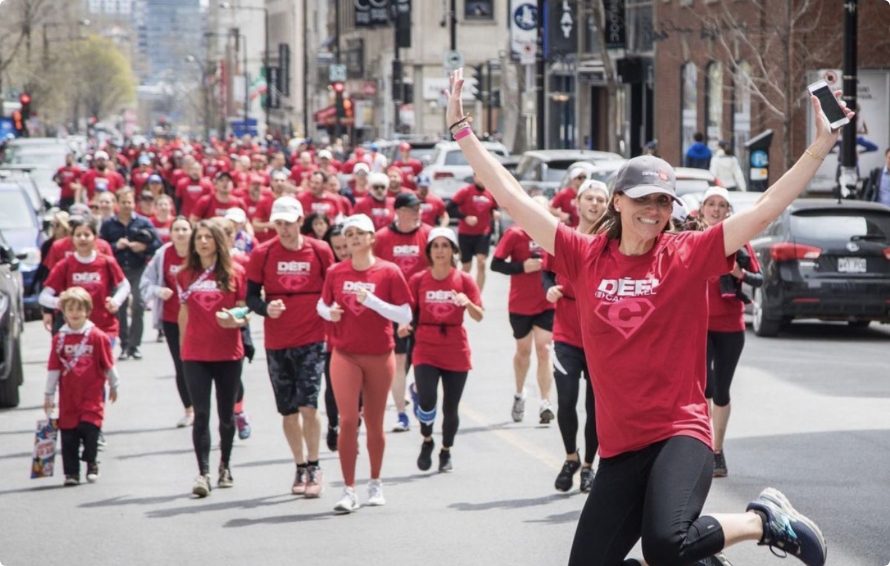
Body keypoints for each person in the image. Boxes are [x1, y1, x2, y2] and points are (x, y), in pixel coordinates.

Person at [445, 67, 840, 566]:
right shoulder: (583, 254)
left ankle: (763, 519)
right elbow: (511, 196)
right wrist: (462, 131)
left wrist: (819, 146)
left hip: (680, 432)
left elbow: (762, 209)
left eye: (662, 202)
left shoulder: (684, 253)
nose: (653, 211)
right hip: (620, 447)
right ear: (617, 200)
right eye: (643, 200)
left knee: (664, 543)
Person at [316, 214, 413, 514]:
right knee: (347, 420)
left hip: (380, 354)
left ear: (372, 238)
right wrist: (328, 312)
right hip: (344, 353)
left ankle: (375, 481)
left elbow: (405, 316)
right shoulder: (335, 271)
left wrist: (372, 302)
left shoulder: (389, 271)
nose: (355, 238)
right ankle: (349, 489)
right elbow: (322, 304)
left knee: (373, 421)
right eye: (351, 233)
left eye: (361, 233)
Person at [246, 197, 335, 497]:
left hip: (312, 338)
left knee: (309, 405)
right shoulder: (263, 253)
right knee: (288, 411)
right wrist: (265, 308)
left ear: (300, 220)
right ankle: (299, 466)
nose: (283, 230)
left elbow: (332, 288)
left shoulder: (320, 250)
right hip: (278, 341)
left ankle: (315, 464)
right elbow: (250, 297)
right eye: (278, 224)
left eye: (288, 223)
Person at [543, 179, 607, 493]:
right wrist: (549, 288)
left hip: (601, 336)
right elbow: (545, 270)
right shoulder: (564, 238)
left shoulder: (611, 242)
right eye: (589, 198)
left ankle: (587, 467)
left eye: (600, 200)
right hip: (566, 331)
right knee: (566, 400)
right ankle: (571, 456)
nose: (594, 204)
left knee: (596, 406)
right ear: (578, 203)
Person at [177, 219, 249, 498]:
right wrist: (184, 347)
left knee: (226, 415)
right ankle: (203, 472)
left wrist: (235, 318)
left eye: (208, 237)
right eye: (199, 238)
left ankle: (225, 466)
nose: (203, 242)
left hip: (228, 353)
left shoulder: (236, 272)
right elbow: (183, 312)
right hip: (195, 354)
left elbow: (245, 310)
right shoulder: (185, 275)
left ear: (217, 241)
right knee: (201, 415)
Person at [402, 227, 483, 473]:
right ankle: (427, 440)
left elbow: (479, 315)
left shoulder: (464, 279)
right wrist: (404, 325)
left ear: (453, 250)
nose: (440, 251)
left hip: (455, 347)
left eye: (445, 246)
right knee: (427, 402)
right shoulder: (418, 280)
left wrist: (467, 302)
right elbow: (407, 311)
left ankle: (446, 450)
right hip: (425, 345)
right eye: (435, 246)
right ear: (429, 251)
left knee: (450, 408)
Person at [698, 187, 762, 478]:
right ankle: (699, 448)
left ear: (727, 212)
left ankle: (717, 451)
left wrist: (739, 274)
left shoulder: (737, 241)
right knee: (705, 387)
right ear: (701, 209)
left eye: (721, 205)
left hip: (730, 326)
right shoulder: (691, 238)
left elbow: (759, 279)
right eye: (710, 204)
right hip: (698, 324)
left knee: (721, 391)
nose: (715, 209)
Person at [43, 287, 120, 486]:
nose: (75, 313)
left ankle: (91, 462)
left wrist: (114, 384)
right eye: (70, 309)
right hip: (69, 397)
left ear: (87, 310)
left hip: (92, 395)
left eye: (79, 309)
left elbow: (108, 363)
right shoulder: (59, 339)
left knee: (90, 428)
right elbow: (53, 369)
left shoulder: (97, 336)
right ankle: (71, 473)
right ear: (64, 312)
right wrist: (49, 395)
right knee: (69, 435)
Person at [491, 197, 555, 424]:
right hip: (520, 304)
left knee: (544, 349)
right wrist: (521, 267)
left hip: (547, 302)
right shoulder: (515, 233)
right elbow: (496, 264)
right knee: (523, 352)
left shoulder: (554, 234)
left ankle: (545, 402)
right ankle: (519, 394)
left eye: (544, 211)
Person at [373, 192, 432, 432]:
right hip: (393, 309)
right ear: (398, 211)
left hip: (424, 308)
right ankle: (401, 414)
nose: (417, 213)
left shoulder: (428, 234)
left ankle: (416, 389)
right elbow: (373, 270)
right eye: (412, 209)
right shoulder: (382, 238)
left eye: (418, 208)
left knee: (422, 361)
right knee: (399, 361)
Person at [141, 217, 194, 428]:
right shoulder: (163, 255)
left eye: (184, 229)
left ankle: (204, 407)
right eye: (177, 230)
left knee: (198, 365)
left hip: (198, 319)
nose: (180, 233)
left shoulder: (199, 252)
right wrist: (158, 291)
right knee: (181, 364)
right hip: (172, 319)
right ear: (170, 233)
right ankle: (189, 410)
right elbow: (145, 283)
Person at [100, 188, 162, 361]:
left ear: (134, 203)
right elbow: (99, 246)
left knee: (138, 305)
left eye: (129, 202)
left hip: (138, 268)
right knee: (119, 306)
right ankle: (125, 344)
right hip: (117, 271)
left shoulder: (143, 222)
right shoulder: (108, 225)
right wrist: (115, 246)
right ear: (117, 204)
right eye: (123, 202)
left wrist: (143, 247)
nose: (127, 205)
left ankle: (135, 346)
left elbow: (157, 243)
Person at [449, 172, 500, 291]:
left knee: (481, 263)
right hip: (465, 233)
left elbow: (493, 209)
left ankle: (477, 295)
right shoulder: (466, 191)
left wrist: (494, 214)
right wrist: (465, 217)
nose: (482, 179)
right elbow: (450, 208)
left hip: (483, 233)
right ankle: (460, 290)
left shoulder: (490, 193)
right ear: (474, 177)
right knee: (466, 266)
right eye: (479, 176)